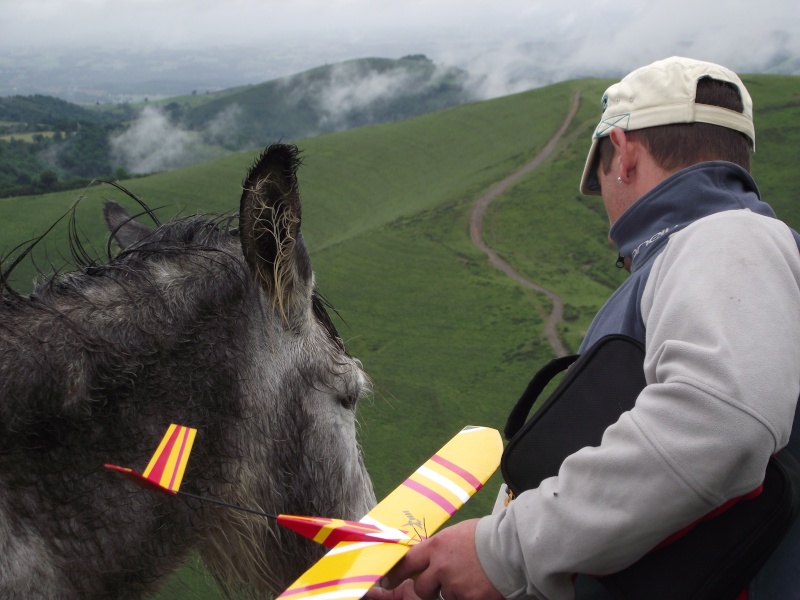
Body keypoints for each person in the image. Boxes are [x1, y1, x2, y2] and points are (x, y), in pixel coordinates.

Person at [366, 56, 800, 599]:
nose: (606, 210)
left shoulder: (728, 239)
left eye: (599, 178)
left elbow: (720, 422)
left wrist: (503, 550)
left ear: (622, 152)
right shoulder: (707, 255)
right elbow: (646, 522)